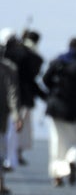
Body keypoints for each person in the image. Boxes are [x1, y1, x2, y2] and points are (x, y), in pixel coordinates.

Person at [42, 37, 76, 187]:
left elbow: (46, 80)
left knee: (57, 142)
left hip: (56, 108)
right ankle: (72, 161)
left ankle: (58, 175)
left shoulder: (58, 61)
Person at [2, 29, 45, 169]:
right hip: (18, 99)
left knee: (12, 133)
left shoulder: (12, 60)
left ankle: (11, 158)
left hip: (15, 100)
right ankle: (11, 158)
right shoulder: (20, 57)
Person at [0, 31, 22, 195]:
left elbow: (12, 93)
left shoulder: (9, 69)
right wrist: (16, 116)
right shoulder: (9, 68)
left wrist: (15, 116)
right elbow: (12, 94)